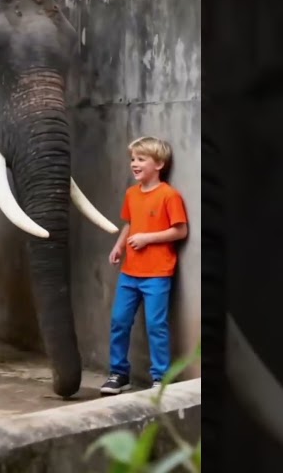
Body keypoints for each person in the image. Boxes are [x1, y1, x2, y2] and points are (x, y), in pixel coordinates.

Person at [101, 136, 189, 395]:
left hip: (157, 274)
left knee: (156, 325)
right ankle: (119, 373)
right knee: (119, 321)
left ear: (159, 164)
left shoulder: (169, 196)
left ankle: (161, 378)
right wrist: (119, 245)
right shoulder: (131, 194)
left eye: (141, 159)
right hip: (130, 273)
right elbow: (130, 224)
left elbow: (180, 230)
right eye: (132, 159)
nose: (134, 164)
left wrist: (148, 238)